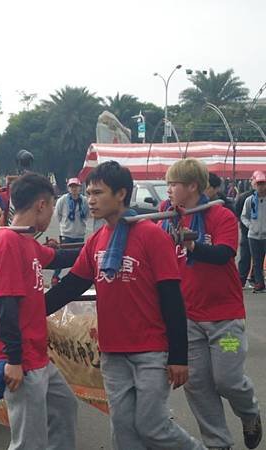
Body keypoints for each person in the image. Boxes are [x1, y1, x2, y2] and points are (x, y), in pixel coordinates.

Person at [45, 161, 203, 450]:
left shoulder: (152, 235)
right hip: (113, 353)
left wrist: (179, 356)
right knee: (123, 429)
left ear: (121, 194)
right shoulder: (97, 241)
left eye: (98, 193)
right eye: (89, 193)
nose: (91, 200)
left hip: (151, 351)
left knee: (152, 426)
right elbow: (70, 287)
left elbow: (172, 297)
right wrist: (27, 309)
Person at [164, 158, 262, 450]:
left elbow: (224, 254)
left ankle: (250, 413)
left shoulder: (219, 215)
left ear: (192, 186)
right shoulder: (167, 215)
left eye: (173, 184)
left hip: (225, 321)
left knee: (228, 380)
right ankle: (218, 443)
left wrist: (193, 246)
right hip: (189, 318)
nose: (168, 190)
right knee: (197, 385)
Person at [0, 172, 80, 450]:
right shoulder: (8, 241)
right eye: (51, 206)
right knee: (29, 440)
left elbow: (59, 258)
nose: (51, 213)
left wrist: (98, 246)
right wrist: (13, 360)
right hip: (19, 356)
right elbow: (6, 304)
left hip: (36, 353)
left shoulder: (28, 242)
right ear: (41, 204)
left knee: (64, 406)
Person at [52, 177, 89, 284]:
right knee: (62, 257)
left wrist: (82, 224)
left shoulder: (84, 201)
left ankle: (76, 278)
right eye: (72, 187)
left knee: (78, 258)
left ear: (79, 188)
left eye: (76, 187)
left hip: (79, 233)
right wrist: (64, 225)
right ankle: (55, 277)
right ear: (68, 188)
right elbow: (57, 214)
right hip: (66, 233)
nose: (74, 189)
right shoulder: (63, 200)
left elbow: (87, 214)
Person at [242, 170, 266, 293]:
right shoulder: (250, 200)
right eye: (259, 184)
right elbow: (244, 216)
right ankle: (259, 283)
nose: (261, 186)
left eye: (263, 183)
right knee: (257, 261)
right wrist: (250, 226)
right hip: (254, 236)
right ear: (255, 185)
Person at [235, 174, 257, 289]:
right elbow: (237, 213)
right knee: (245, 257)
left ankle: (254, 279)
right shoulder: (244, 197)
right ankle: (242, 280)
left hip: (260, 232)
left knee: (258, 258)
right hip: (246, 232)